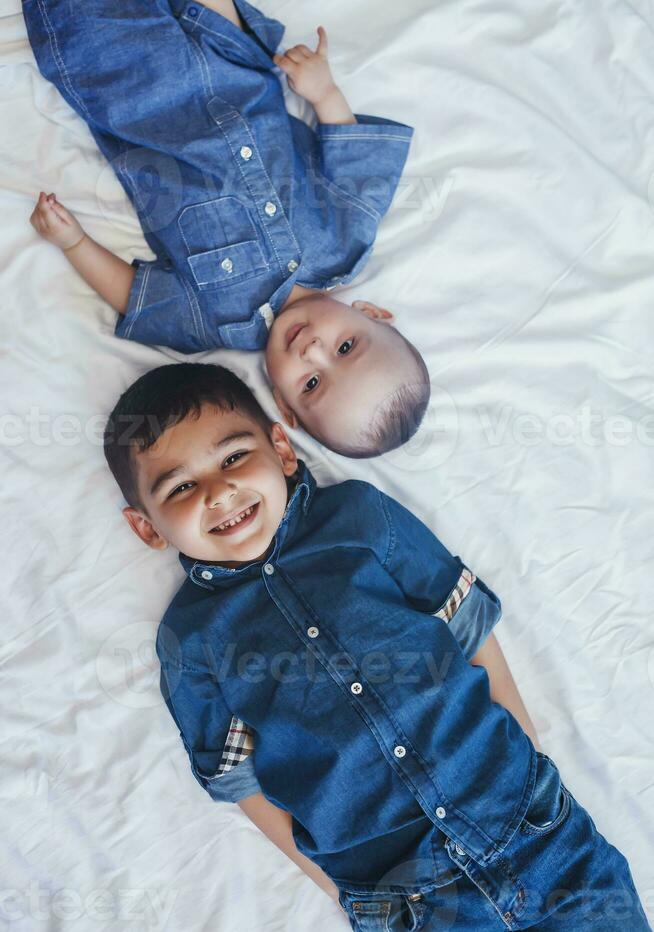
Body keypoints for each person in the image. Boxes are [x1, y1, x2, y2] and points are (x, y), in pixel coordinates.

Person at [102, 361, 650, 931]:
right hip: (405, 900)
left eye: (234, 457)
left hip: (531, 833)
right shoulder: (189, 641)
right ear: (147, 527)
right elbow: (240, 781)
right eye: (182, 487)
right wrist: (337, 889)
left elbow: (466, 624)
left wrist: (526, 754)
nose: (220, 492)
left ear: (281, 451)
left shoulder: (360, 518)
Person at [21, 0, 429, 458]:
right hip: (236, 70)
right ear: (371, 313)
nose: (312, 350)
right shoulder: (348, 238)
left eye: (311, 385)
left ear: (282, 403)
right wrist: (324, 94)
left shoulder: (216, 322)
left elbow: (135, 298)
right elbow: (354, 160)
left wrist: (73, 242)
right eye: (346, 347)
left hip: (140, 103)